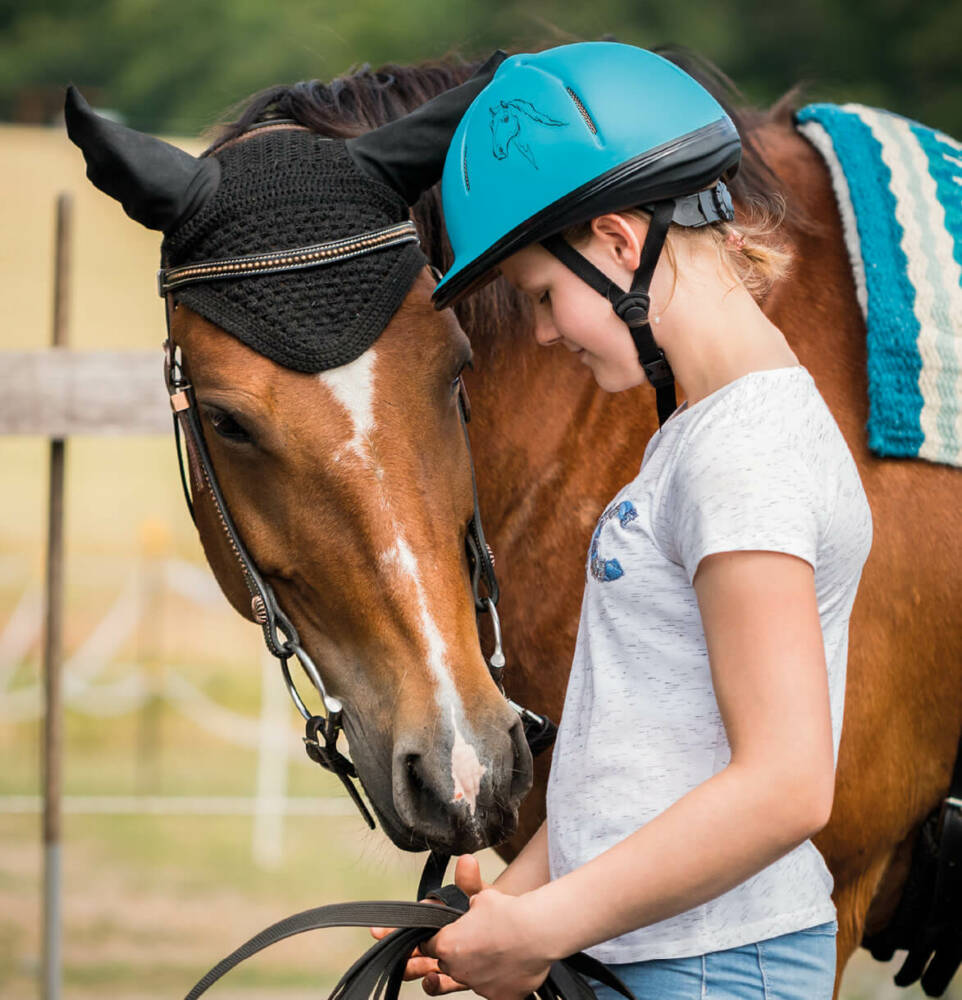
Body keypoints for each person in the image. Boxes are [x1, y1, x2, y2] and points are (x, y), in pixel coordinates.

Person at [377, 41, 873, 1000]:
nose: (551, 331)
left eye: (543, 297)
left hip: (715, 969)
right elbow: (644, 760)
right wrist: (514, 910)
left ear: (616, 242)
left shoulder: (742, 453)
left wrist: (545, 927)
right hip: (662, 956)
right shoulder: (703, 431)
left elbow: (786, 784)